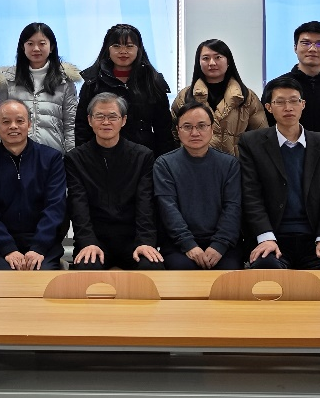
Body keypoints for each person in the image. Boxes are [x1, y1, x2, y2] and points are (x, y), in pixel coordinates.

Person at [238, 76, 320, 270]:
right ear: (269, 108)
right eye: (280, 102)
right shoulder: (252, 143)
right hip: (273, 237)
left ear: (303, 104)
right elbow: (251, 195)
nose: (288, 107)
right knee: (266, 269)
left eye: (294, 101)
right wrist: (265, 237)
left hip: (313, 239)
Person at [65, 92, 163, 270]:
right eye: (99, 116)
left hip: (133, 240)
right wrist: (87, 241)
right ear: (89, 120)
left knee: (151, 267)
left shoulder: (142, 156)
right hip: (95, 240)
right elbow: (78, 204)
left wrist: (145, 241)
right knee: (87, 269)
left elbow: (146, 203)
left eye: (112, 116)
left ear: (123, 120)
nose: (106, 122)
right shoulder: (75, 158)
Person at [0, 100, 66, 270]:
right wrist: (8, 248)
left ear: (29, 124)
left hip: (42, 243)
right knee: (2, 277)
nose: (13, 126)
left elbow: (55, 207)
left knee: (42, 278)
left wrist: (38, 247)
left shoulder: (51, 158)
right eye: (6, 122)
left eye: (20, 121)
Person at [154, 101, 243, 270]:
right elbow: (168, 208)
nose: (195, 133)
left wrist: (219, 245)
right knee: (182, 270)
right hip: (178, 244)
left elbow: (233, 207)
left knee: (229, 276)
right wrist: (189, 245)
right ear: (178, 130)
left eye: (202, 126)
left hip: (223, 244)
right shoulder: (164, 164)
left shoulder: (230, 164)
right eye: (187, 127)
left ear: (212, 128)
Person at [75, 23, 174, 156]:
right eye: (116, 46)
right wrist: (83, 158)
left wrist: (163, 162)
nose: (123, 51)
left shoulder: (153, 80)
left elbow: (163, 129)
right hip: (102, 154)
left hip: (144, 156)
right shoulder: (93, 81)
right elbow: (82, 126)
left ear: (138, 49)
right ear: (108, 49)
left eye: (129, 46)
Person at [0, 22, 80, 153]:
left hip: (53, 155)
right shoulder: (7, 80)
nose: (36, 48)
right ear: (23, 47)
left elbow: (70, 126)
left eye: (42, 43)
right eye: (30, 44)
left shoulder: (65, 81)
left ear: (51, 47)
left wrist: (72, 159)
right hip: (13, 154)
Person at [172, 38, 266, 156]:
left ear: (228, 61)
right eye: (206, 58)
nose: (212, 63)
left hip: (236, 163)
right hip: (192, 162)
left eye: (218, 57)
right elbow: (174, 134)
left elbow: (260, 135)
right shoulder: (185, 96)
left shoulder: (246, 96)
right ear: (198, 62)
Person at [265, 21, 320, 144]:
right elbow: (267, 126)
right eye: (305, 43)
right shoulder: (276, 87)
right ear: (295, 47)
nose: (312, 49)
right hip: (286, 153)